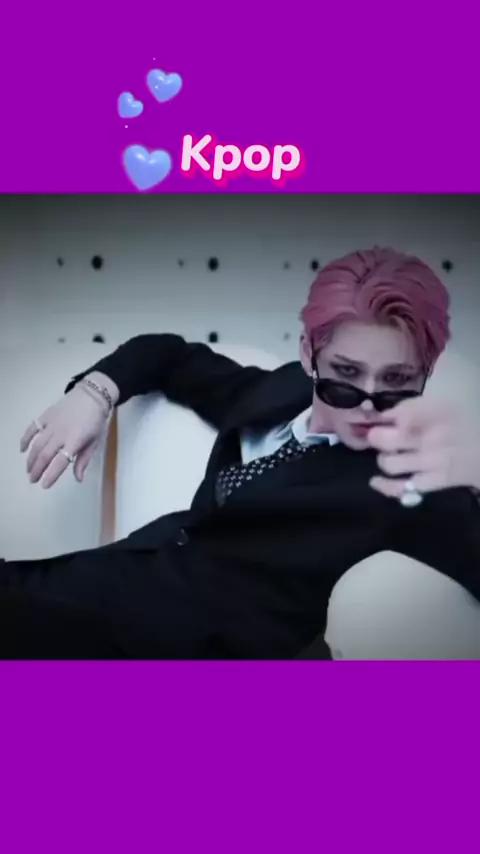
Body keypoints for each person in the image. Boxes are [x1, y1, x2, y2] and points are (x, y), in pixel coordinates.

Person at [1, 245, 480, 659]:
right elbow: (169, 355)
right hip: (100, 586)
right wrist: (94, 394)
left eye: (396, 381)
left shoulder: (416, 479)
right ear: (309, 355)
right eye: (346, 374)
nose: (368, 402)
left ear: (425, 373)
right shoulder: (281, 392)